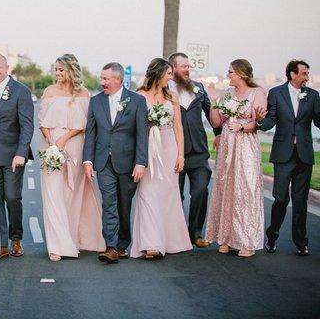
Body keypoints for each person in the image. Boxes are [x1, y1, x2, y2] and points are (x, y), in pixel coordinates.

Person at [38, 54, 105, 261]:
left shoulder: (83, 93)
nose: (57, 74)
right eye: (56, 69)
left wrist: (64, 140)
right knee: (53, 195)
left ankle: (73, 239)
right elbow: (42, 121)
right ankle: (57, 246)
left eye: (61, 70)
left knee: (72, 194)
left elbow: (84, 124)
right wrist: (51, 141)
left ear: (71, 70)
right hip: (51, 145)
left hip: (74, 145)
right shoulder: (49, 91)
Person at [83, 62, 148, 263]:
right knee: (109, 202)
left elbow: (141, 135)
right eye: (101, 78)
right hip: (103, 162)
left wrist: (141, 162)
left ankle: (122, 243)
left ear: (118, 79)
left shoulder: (137, 101)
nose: (102, 82)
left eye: (106, 79)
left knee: (124, 204)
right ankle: (111, 246)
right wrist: (87, 160)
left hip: (128, 162)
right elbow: (90, 134)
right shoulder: (95, 102)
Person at [256, 60, 320, 256]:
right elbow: (270, 121)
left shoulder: (313, 95)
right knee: (280, 199)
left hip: (304, 154)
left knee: (300, 201)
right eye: (304, 73)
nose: (307, 77)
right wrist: (259, 120)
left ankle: (301, 242)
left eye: (308, 74)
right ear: (292, 75)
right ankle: (272, 236)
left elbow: (318, 120)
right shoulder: (276, 93)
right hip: (283, 155)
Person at [130, 58, 192, 259]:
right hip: (147, 147)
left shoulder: (172, 96)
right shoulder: (139, 96)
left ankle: (170, 241)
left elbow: (178, 127)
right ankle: (151, 244)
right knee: (147, 193)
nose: (170, 77)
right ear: (157, 74)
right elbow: (134, 127)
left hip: (168, 148)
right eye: (167, 74)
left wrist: (181, 155)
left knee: (167, 194)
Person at [205, 59, 267, 257]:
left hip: (246, 145)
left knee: (246, 189)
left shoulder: (257, 92)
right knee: (226, 188)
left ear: (240, 73)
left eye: (230, 72)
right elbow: (216, 121)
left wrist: (243, 126)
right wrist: (213, 100)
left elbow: (259, 123)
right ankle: (225, 238)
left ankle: (247, 241)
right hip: (227, 145)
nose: (227, 75)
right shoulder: (228, 94)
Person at [0, 54, 34, 259]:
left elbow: (27, 126)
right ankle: (2, 243)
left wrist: (21, 153)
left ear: (7, 68)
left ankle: (16, 238)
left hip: (13, 154)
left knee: (12, 198)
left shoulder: (21, 91)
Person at [168, 52, 220, 248]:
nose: (187, 69)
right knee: (176, 194)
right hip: (174, 151)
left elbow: (210, 113)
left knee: (200, 191)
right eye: (183, 66)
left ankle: (196, 231)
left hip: (198, 150)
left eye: (188, 66)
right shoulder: (165, 89)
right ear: (172, 69)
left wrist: (219, 133)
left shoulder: (198, 88)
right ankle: (177, 232)